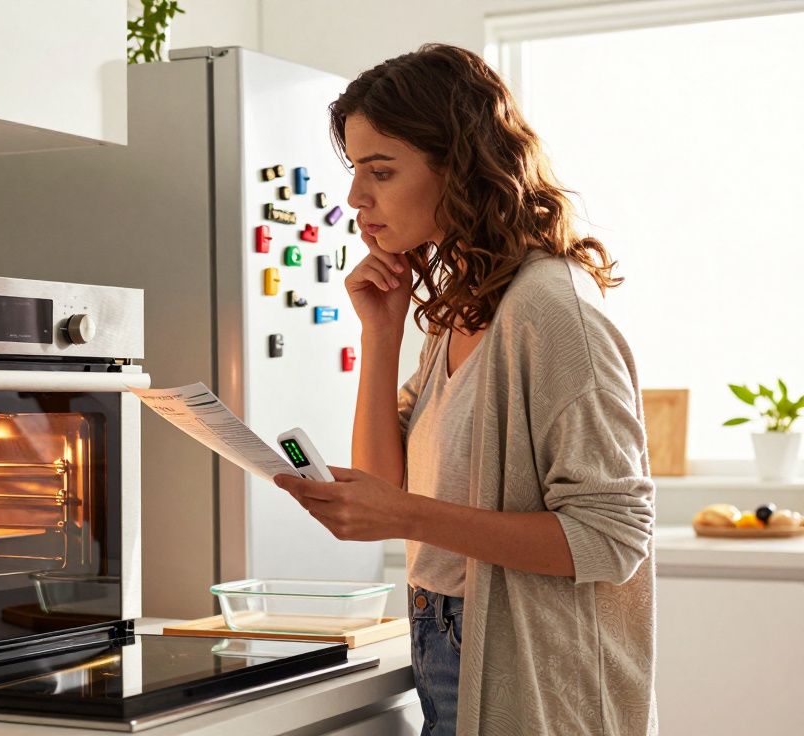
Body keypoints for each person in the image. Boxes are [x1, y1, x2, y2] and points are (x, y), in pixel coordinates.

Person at [272, 44, 657, 736]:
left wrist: (408, 516)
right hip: (441, 635)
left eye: (381, 171)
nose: (356, 199)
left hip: (519, 663)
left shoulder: (551, 312)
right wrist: (381, 334)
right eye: (356, 172)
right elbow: (387, 486)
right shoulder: (463, 309)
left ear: (460, 168)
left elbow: (611, 537)